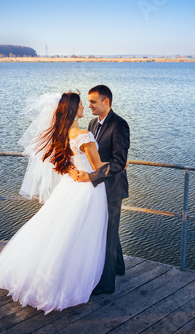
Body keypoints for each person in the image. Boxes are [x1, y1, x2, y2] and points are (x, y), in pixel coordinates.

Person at [0, 92, 110, 314]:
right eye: (81, 104)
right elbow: (101, 168)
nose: (84, 107)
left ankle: (43, 276)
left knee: (60, 232)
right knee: (81, 235)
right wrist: (124, 163)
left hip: (69, 187)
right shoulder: (84, 136)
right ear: (73, 110)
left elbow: (60, 162)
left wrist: (73, 169)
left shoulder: (62, 135)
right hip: (88, 191)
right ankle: (65, 283)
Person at [69, 85, 130, 295]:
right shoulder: (92, 123)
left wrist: (91, 177)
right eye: (88, 102)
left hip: (112, 187)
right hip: (96, 188)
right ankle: (119, 267)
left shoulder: (120, 125)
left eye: (93, 102)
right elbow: (91, 155)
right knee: (108, 229)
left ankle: (105, 284)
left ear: (106, 102)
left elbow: (119, 163)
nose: (89, 105)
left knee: (109, 231)